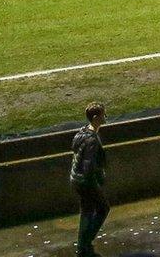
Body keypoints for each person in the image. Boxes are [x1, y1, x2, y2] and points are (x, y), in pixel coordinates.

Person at [70, 103, 109, 257]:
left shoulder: (82, 133)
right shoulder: (92, 140)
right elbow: (89, 165)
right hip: (86, 181)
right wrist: (96, 181)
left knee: (86, 211)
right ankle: (85, 242)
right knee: (103, 208)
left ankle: (82, 245)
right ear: (95, 118)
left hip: (76, 179)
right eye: (103, 115)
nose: (105, 117)